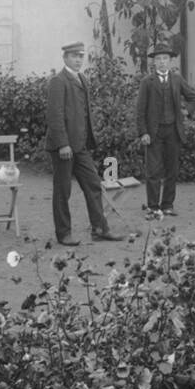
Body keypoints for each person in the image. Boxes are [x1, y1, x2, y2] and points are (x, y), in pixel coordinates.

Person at [44, 42, 121, 245]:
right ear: (65, 58)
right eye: (73, 56)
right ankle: (63, 234)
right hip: (64, 147)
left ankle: (99, 229)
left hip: (80, 146)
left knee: (93, 185)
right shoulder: (58, 81)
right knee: (63, 190)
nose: (78, 60)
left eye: (80, 56)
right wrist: (62, 144)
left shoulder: (81, 79)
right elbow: (55, 115)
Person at [135, 43, 195, 216]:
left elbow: (193, 97)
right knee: (153, 171)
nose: (162, 62)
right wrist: (143, 132)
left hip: (173, 131)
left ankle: (167, 205)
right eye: (158, 59)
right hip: (153, 132)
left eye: (165, 58)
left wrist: (187, 110)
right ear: (153, 62)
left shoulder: (177, 79)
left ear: (170, 61)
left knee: (172, 170)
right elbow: (140, 110)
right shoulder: (147, 82)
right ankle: (153, 207)